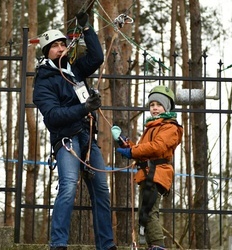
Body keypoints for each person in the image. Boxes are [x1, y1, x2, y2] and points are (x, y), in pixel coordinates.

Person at [33, 12, 117, 250]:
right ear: (46, 52)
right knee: (69, 185)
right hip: (67, 139)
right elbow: (52, 117)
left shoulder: (75, 71)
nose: (60, 49)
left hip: (88, 138)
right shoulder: (44, 82)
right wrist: (84, 108)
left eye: (62, 44)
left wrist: (86, 27)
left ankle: (106, 245)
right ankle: (58, 244)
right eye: (54, 46)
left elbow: (97, 57)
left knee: (101, 190)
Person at [111, 85, 183, 250]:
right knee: (145, 213)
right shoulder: (152, 127)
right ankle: (153, 245)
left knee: (150, 212)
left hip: (157, 174)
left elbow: (156, 147)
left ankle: (158, 246)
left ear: (167, 106)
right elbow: (143, 150)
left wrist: (132, 151)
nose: (155, 108)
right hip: (148, 174)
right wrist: (125, 143)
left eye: (159, 104)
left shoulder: (170, 127)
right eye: (152, 105)